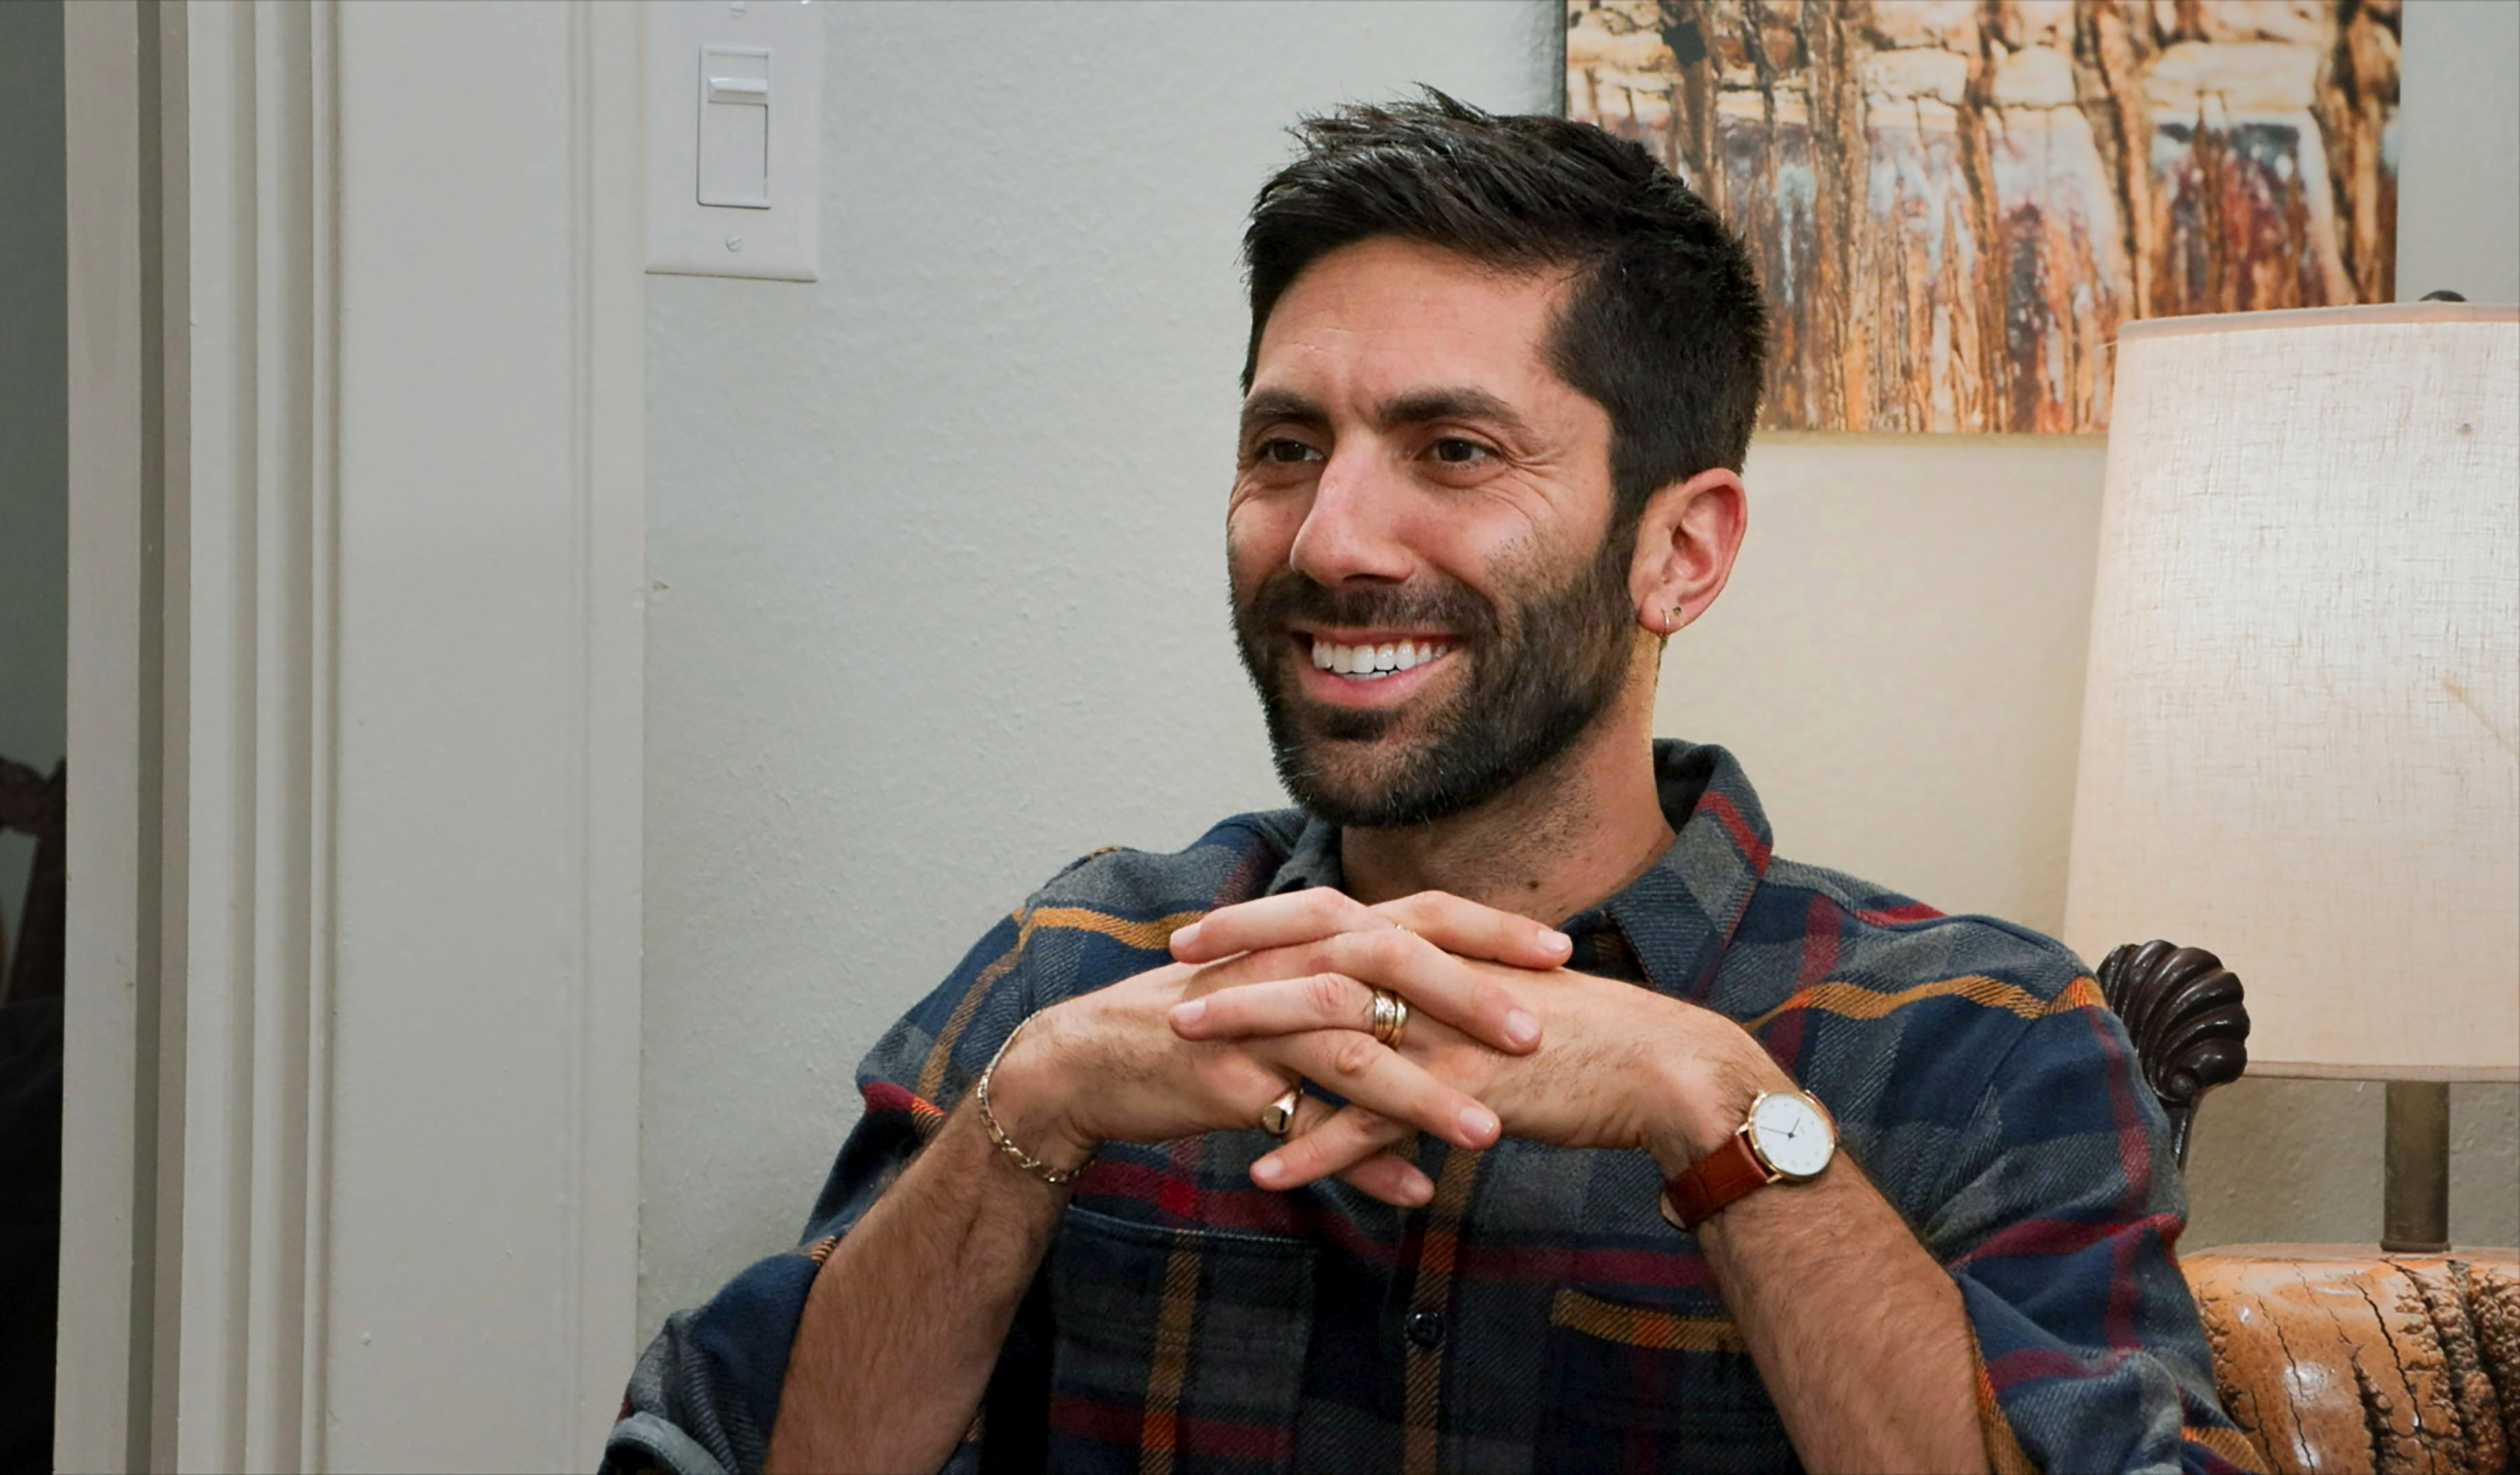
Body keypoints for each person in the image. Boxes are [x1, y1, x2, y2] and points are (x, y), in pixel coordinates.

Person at [604, 94, 2258, 1475]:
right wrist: (1026, 1117)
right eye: (1285, 448)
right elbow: (708, 1453)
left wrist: (1718, 1109)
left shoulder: (1983, 1045)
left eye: (1454, 452)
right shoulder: (1083, 970)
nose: (1330, 539)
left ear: (1681, 551)